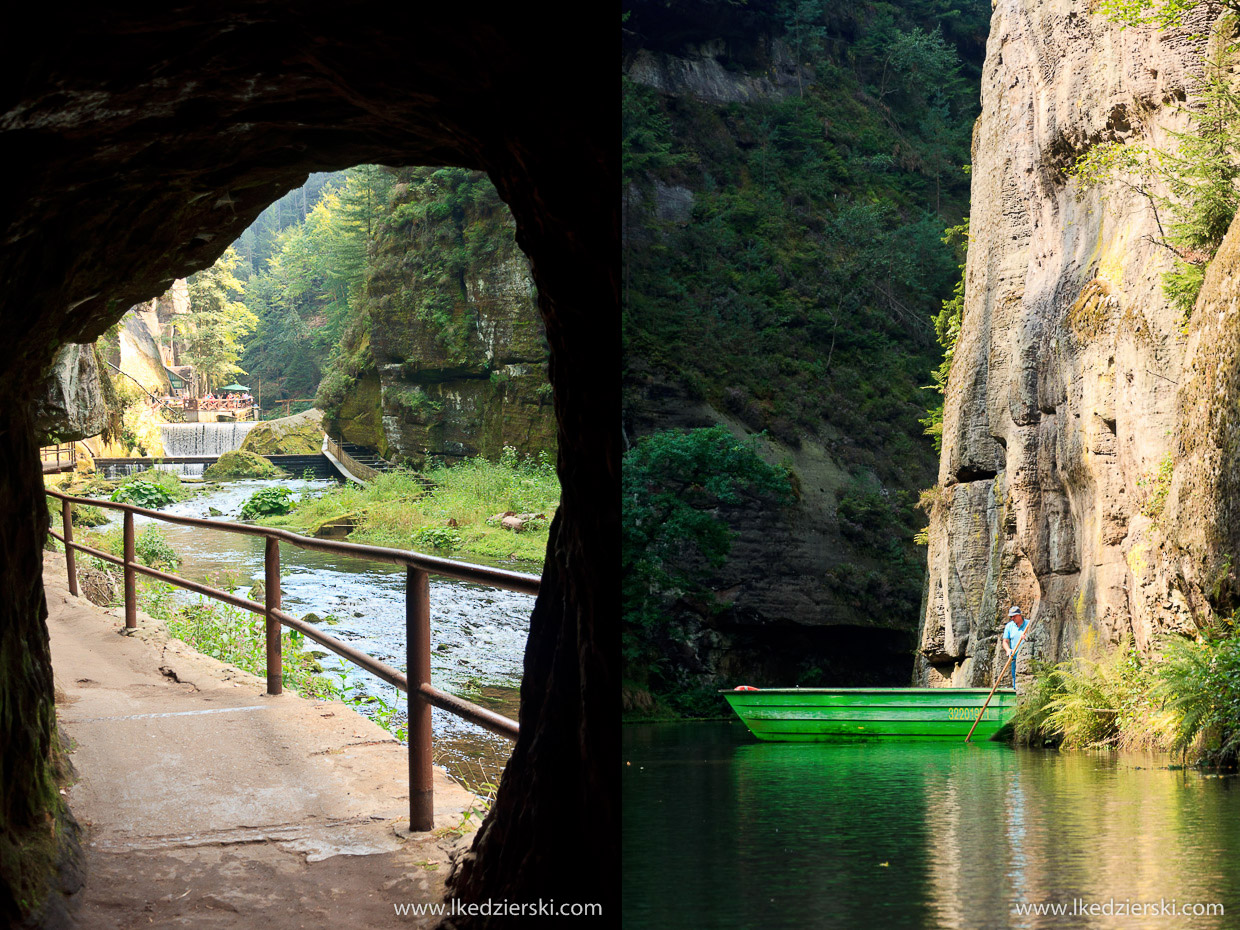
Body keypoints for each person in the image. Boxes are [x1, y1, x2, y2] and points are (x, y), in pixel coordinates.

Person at [1001, 606, 1028, 690]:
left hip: (1027, 659)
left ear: (1019, 615)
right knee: (1016, 683)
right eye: (1011, 617)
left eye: (1014, 616)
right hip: (1014, 659)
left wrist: (1027, 637)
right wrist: (1008, 650)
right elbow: (1005, 642)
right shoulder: (1009, 626)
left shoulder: (1029, 624)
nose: (1012, 618)